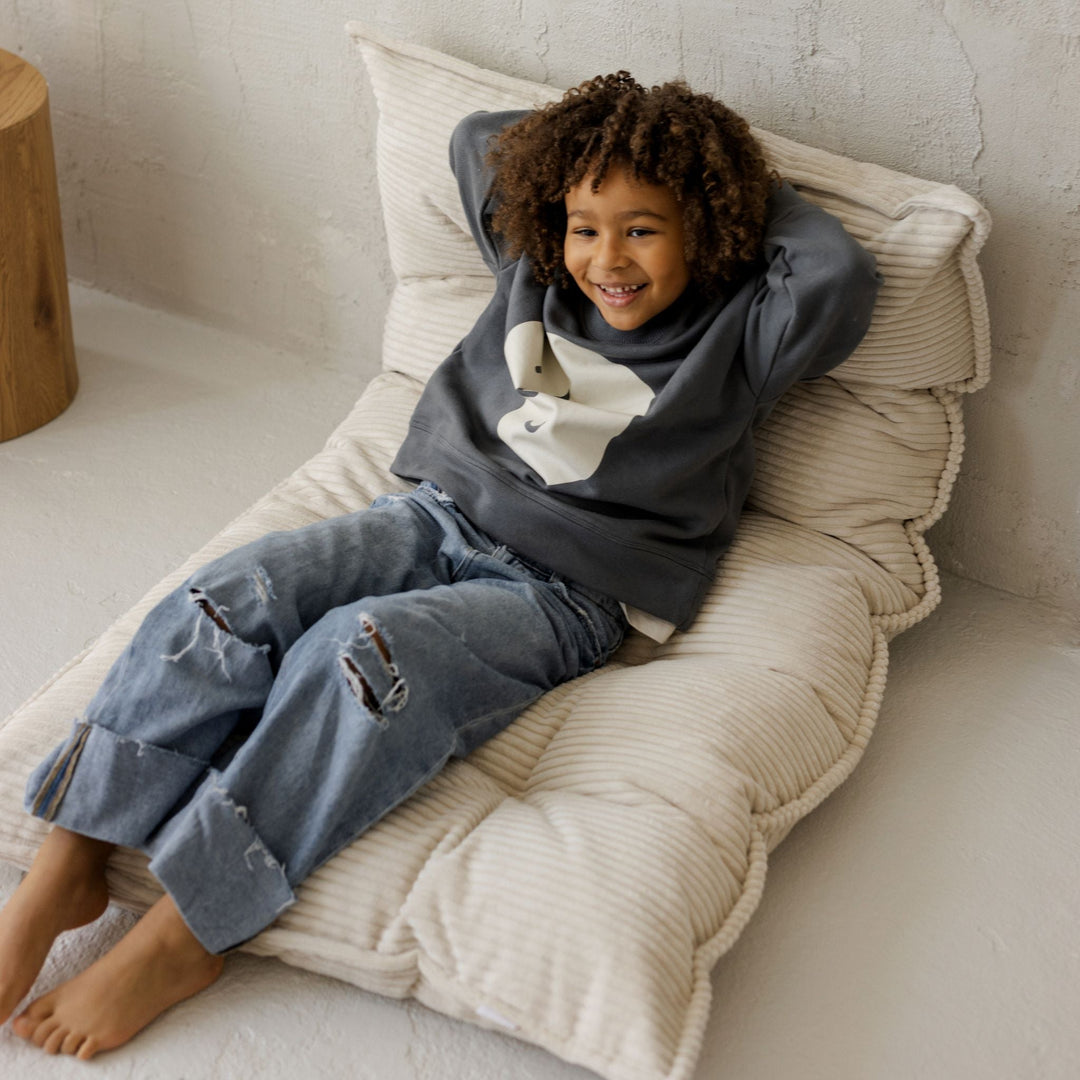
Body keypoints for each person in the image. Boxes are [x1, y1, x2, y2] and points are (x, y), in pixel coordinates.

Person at [0, 71, 880, 1058]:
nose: (608, 259)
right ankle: (68, 859)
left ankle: (188, 927)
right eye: (587, 226)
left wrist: (726, 177)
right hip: (427, 516)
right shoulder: (535, 266)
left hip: (563, 594)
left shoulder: (743, 328)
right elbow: (480, 140)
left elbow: (837, 272)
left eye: (645, 228)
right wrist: (598, 159)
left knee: (366, 658)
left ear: (708, 228)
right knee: (228, 594)